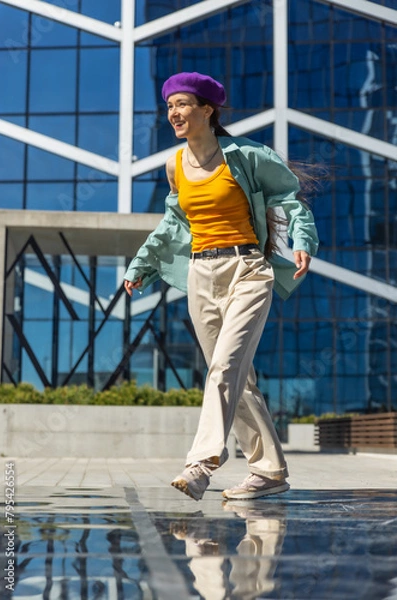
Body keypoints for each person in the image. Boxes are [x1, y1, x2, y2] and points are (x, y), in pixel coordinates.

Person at [124, 72, 319, 502]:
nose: (174, 113)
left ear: (207, 110)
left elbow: (289, 197)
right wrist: (141, 264)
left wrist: (303, 240)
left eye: (183, 104)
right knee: (238, 380)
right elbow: (175, 222)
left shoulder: (246, 155)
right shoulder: (174, 165)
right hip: (200, 276)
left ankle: (201, 463)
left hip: (247, 270)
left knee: (224, 369)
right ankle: (270, 472)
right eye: (170, 106)